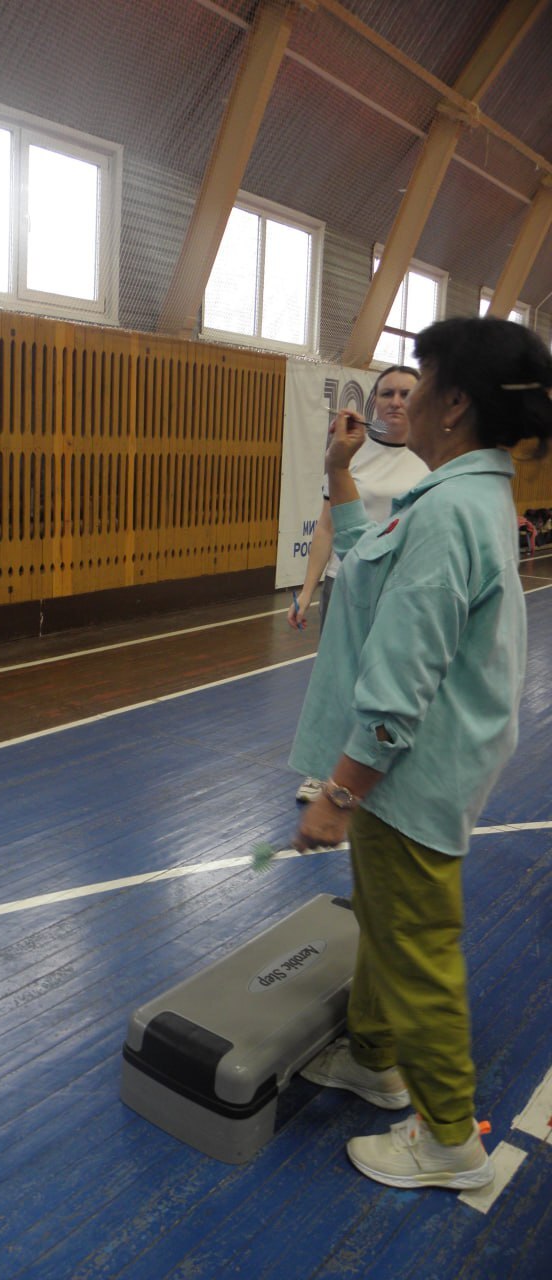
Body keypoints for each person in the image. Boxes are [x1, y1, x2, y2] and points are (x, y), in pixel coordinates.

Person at [288, 316, 552, 1192]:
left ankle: (449, 1142)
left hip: (409, 775)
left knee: (419, 951)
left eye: (424, 377)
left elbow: (401, 685)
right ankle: (373, 1058)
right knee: (388, 921)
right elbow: (367, 561)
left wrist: (339, 794)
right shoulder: (460, 499)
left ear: (455, 403)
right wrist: (339, 473)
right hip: (415, 772)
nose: (409, 393)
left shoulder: (448, 514)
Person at [289, 366, 428, 803]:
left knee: (392, 682)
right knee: (336, 678)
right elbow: (327, 527)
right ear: (374, 402)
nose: (396, 401)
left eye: (406, 393)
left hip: (402, 591)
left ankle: (380, 770)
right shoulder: (350, 455)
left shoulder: (433, 460)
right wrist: (307, 591)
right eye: (387, 393)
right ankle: (321, 770)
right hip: (346, 585)